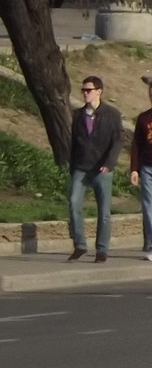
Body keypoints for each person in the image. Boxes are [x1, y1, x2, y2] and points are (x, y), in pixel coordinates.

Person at [67, 76, 123, 263]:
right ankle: (80, 245)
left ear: (99, 91)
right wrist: (72, 164)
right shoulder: (78, 115)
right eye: (83, 90)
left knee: (104, 211)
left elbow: (117, 141)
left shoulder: (111, 114)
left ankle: (102, 249)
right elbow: (74, 142)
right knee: (74, 203)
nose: (84, 93)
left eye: (88, 90)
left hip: (102, 169)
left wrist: (109, 163)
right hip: (81, 167)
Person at [130, 75, 152, 261]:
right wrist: (134, 169)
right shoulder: (144, 118)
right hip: (147, 167)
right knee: (148, 206)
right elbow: (136, 144)